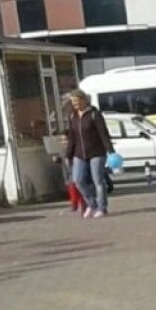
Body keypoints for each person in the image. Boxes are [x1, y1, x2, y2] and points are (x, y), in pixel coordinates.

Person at [64, 89, 115, 219]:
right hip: (79, 154)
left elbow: (103, 134)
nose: (75, 105)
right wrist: (68, 154)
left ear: (83, 100)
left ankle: (102, 208)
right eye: (73, 103)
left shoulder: (94, 115)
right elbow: (72, 137)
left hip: (96, 152)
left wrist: (111, 151)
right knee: (78, 180)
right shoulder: (73, 116)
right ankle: (92, 204)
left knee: (98, 180)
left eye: (76, 102)